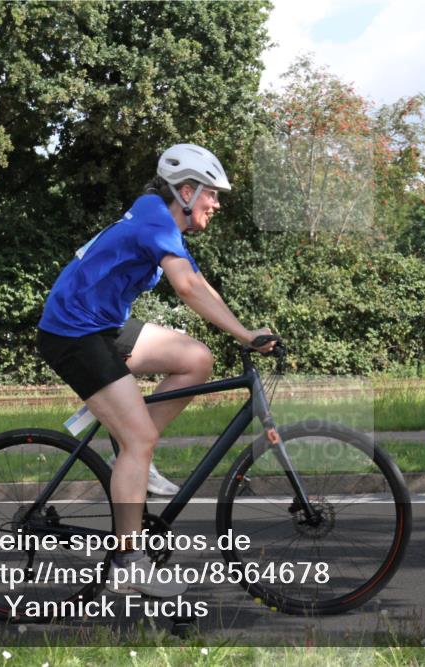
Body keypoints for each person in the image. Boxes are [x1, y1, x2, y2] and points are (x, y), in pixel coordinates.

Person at [36, 143, 276, 597]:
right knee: (140, 439)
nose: (216, 204)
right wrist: (246, 336)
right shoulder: (155, 220)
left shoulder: (159, 219)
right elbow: (186, 288)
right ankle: (128, 562)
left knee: (196, 359)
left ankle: (130, 458)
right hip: (73, 332)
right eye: (211, 194)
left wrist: (244, 330)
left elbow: (198, 282)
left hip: (103, 326)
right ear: (186, 191)